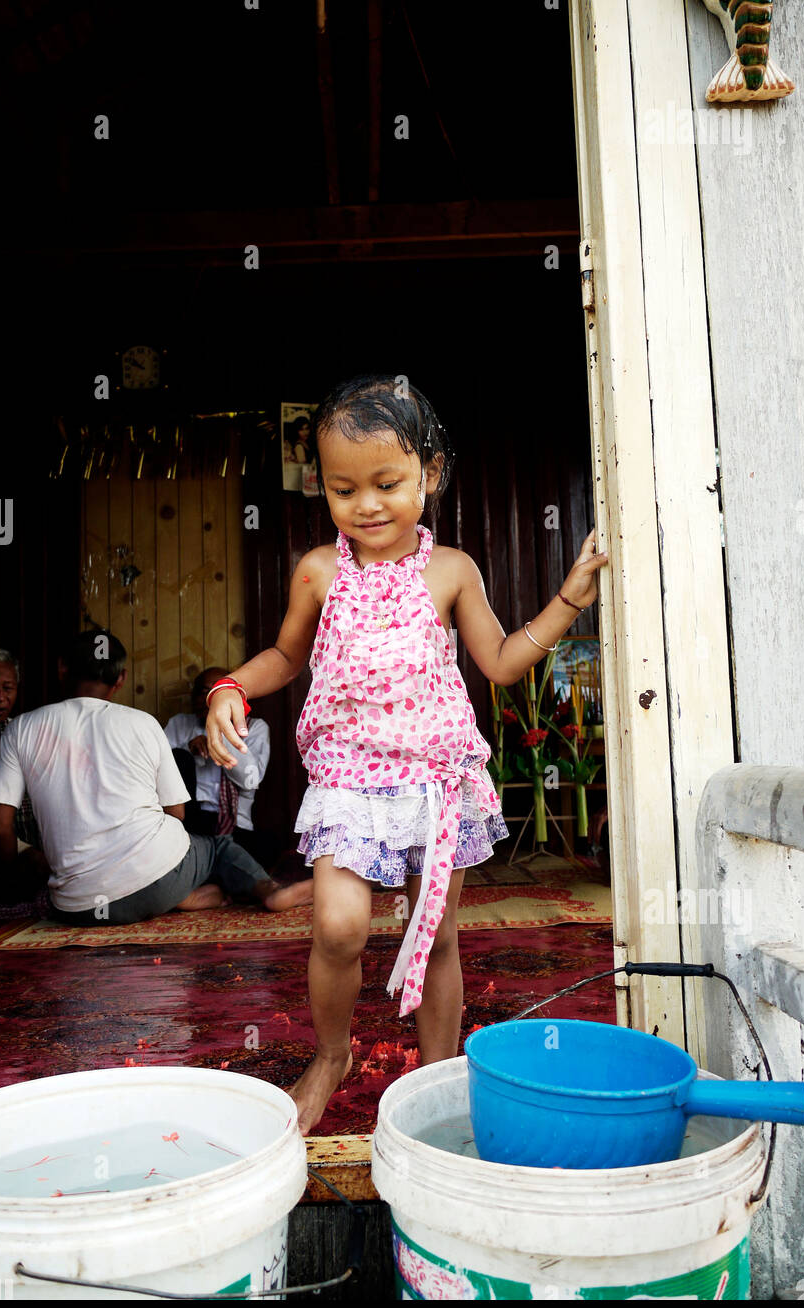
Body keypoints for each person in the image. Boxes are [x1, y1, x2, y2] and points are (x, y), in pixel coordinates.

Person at [205, 373, 608, 1133]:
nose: (367, 505)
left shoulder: (450, 570)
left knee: (443, 935)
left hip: (434, 782)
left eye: (388, 482)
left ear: (430, 473)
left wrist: (571, 598)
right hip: (350, 783)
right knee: (338, 927)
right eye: (343, 489)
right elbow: (286, 658)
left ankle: (437, 1078)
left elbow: (500, 662)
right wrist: (230, 686)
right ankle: (332, 1055)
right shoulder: (318, 572)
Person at [0, 631, 313, 926]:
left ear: (62, 669)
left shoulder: (20, 729)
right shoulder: (144, 723)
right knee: (217, 848)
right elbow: (177, 815)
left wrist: (17, 884)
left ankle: (173, 894)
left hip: (77, 906)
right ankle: (260, 891)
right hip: (157, 878)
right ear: (121, 678)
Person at [165, 667, 280, 868]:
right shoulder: (179, 724)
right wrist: (188, 749)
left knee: (267, 849)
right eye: (201, 692)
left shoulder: (254, 728)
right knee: (178, 757)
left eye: (214, 692)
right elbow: (160, 774)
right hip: (189, 822)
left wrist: (218, 737)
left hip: (236, 826)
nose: (207, 698)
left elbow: (250, 780)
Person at [0, 647, 48, 908]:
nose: (0, 698)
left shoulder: (21, 734)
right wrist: (24, 852)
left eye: (8, 688)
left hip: (32, 854)